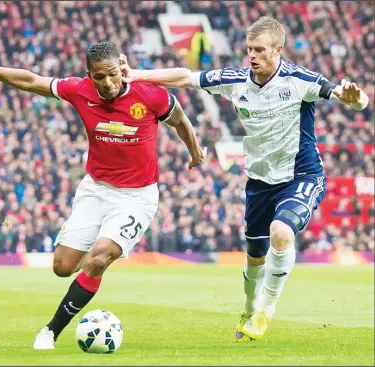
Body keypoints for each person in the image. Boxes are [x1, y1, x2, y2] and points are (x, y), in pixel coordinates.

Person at [120, 16, 369, 342]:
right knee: (254, 256)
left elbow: (350, 98)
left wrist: (356, 97)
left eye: (260, 50)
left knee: (281, 232)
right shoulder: (236, 79)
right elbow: (185, 78)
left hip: (301, 175)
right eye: (249, 49)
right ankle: (250, 307)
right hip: (259, 182)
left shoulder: (299, 79)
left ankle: (266, 309)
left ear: (278, 50)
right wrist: (136, 74)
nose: (252, 56)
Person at [0, 38, 206, 349]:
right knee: (62, 267)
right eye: (99, 77)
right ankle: (88, 259)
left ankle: (50, 331)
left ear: (122, 67)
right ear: (88, 74)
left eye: (112, 74)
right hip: (95, 190)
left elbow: (180, 121)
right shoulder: (79, 90)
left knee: (98, 258)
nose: (108, 83)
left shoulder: (152, 95)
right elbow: (30, 81)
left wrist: (194, 152)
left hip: (137, 197)